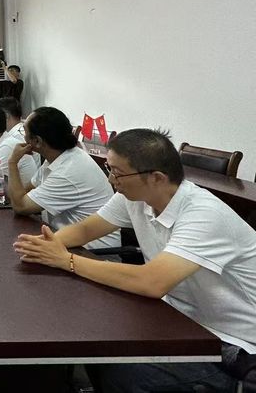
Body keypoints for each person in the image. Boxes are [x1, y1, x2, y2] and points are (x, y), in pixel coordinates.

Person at [13, 129, 256, 392]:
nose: (111, 178)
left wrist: (67, 261)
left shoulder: (203, 214)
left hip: (234, 345)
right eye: (109, 168)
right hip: (180, 320)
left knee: (119, 366)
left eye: (117, 172)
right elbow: (85, 230)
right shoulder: (136, 198)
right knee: (97, 341)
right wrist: (43, 245)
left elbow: (152, 282)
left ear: (156, 178)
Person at [7, 106, 120, 249]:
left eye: (24, 132)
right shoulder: (60, 157)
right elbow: (24, 193)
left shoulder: (69, 171)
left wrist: (12, 162)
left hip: (91, 252)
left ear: (37, 141)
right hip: (66, 240)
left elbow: (20, 206)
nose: (23, 137)